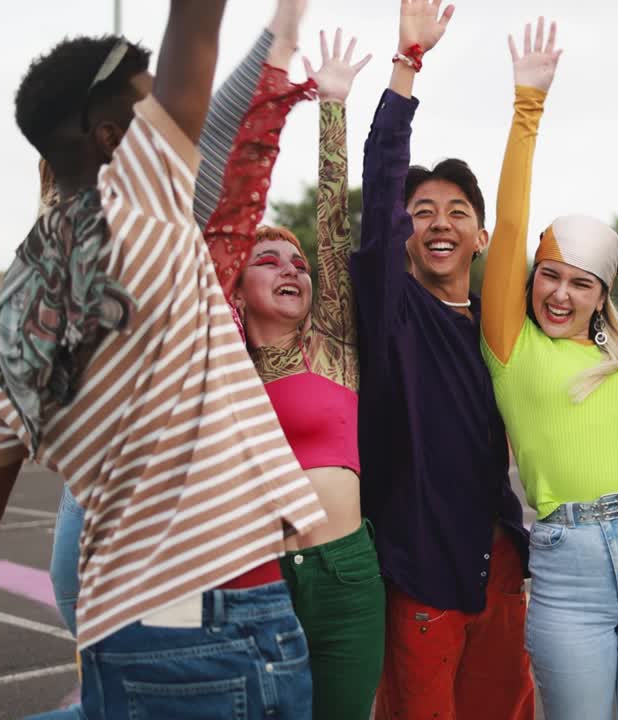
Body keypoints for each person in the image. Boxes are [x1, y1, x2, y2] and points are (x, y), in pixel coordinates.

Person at [0, 2, 327, 719]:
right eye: (151, 105)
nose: (173, 120)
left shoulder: (5, 332)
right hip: (219, 621)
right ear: (112, 136)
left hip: (115, 630)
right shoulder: (145, 201)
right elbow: (198, 26)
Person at [479, 19, 618, 720]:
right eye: (549, 275)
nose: (560, 294)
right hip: (566, 567)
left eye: (580, 283)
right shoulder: (511, 347)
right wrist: (528, 104)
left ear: (602, 295)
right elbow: (510, 227)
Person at [351, 1, 534, 717]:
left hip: (498, 565)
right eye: (422, 211)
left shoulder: (500, 327)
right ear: (404, 233)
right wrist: (407, 64)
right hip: (422, 569)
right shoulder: (395, 312)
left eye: (458, 212)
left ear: (481, 238)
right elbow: (380, 189)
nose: (439, 222)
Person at [200, 26, 385, 720]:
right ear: (236, 285)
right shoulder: (224, 362)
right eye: (268, 260)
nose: (293, 268)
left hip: (345, 578)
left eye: (298, 264)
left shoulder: (331, 345)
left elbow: (332, 225)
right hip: (256, 582)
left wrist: (332, 106)